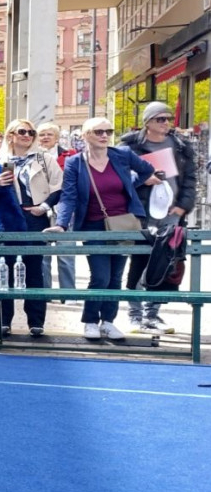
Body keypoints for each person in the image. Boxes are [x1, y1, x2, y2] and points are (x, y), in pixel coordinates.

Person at [48, 116, 160, 342]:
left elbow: (148, 170)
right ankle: (90, 321)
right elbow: (69, 196)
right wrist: (61, 223)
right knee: (100, 276)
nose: (104, 136)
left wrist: (131, 184)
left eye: (108, 131)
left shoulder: (122, 155)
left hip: (123, 224)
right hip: (93, 225)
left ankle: (108, 322)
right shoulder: (75, 163)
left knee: (116, 276)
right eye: (98, 132)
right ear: (86, 135)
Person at [0, 119, 62, 336]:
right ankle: (4, 320)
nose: (27, 135)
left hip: (35, 220)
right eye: (22, 131)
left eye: (31, 132)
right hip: (6, 222)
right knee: (4, 273)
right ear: (10, 135)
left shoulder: (45, 159)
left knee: (35, 272)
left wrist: (43, 207)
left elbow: (59, 186)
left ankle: (36, 321)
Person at [121, 100, 198, 333]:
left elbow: (190, 181)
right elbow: (119, 179)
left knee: (165, 265)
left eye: (168, 118)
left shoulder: (181, 146)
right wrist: (141, 180)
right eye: (160, 119)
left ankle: (152, 314)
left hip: (172, 216)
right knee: (139, 263)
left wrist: (182, 207)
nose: (166, 123)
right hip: (142, 214)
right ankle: (135, 315)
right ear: (148, 122)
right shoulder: (129, 147)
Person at [33, 123, 76, 294]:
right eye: (41, 134)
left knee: (66, 254)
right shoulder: (32, 157)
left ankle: (68, 293)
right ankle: (45, 293)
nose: (45, 137)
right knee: (43, 255)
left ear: (57, 138)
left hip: (63, 209)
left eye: (49, 134)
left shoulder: (70, 156)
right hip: (40, 209)